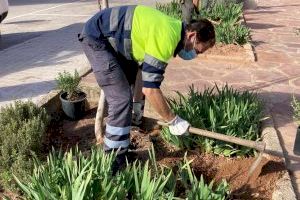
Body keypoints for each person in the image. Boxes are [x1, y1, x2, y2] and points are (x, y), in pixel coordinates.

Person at [79, 5, 215, 168]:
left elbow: (144, 73)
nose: (195, 55)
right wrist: (172, 120)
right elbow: (150, 89)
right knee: (121, 99)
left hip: (116, 41)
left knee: (127, 88)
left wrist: (138, 108)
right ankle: (113, 160)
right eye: (198, 51)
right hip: (98, 38)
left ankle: (120, 147)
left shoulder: (174, 29)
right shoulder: (167, 37)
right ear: (192, 35)